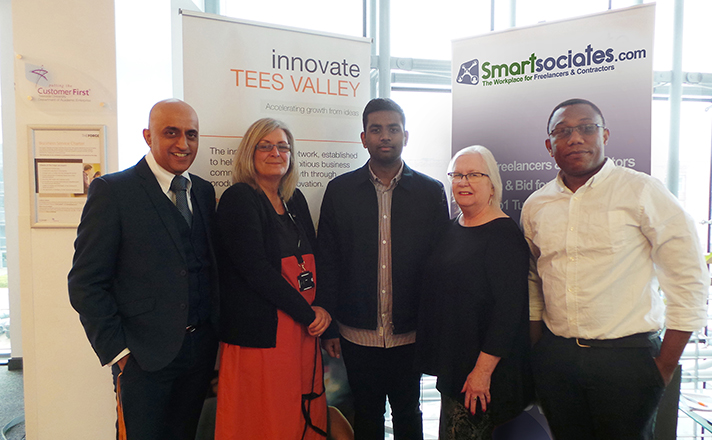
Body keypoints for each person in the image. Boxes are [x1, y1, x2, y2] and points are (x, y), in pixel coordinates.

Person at [521, 98, 710, 440]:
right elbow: (535, 278)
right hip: (557, 360)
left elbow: (688, 278)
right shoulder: (537, 205)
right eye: (563, 131)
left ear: (604, 134)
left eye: (586, 128)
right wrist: (539, 351)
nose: (575, 138)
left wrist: (663, 367)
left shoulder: (641, 191)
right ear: (550, 146)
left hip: (628, 359)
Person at [68, 99, 219, 440]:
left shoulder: (204, 192)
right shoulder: (113, 191)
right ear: (148, 136)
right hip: (142, 359)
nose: (183, 144)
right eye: (171, 133)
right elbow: (85, 282)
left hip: (198, 355)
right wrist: (118, 353)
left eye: (191, 134)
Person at [316, 98, 450, 440]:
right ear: (364, 138)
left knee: (409, 411)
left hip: (410, 333)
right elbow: (328, 260)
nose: (385, 136)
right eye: (376, 130)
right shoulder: (340, 191)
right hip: (356, 332)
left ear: (406, 135)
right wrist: (330, 325)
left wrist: (433, 328)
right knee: (367, 411)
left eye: (393, 129)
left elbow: (439, 267)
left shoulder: (430, 192)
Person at [214, 118, 332, 439]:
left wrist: (321, 308)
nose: (275, 152)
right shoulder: (239, 198)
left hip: (302, 332)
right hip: (263, 337)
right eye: (265, 146)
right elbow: (256, 270)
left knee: (300, 413)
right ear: (249, 154)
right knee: (265, 420)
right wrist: (309, 314)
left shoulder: (295, 199)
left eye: (283, 146)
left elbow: (317, 258)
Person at [417, 146, 532, 439]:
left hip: (485, 378)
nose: (463, 182)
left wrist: (482, 372)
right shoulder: (452, 227)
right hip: (454, 367)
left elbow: (509, 312)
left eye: (473, 175)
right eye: (456, 175)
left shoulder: (504, 236)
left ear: (492, 184)